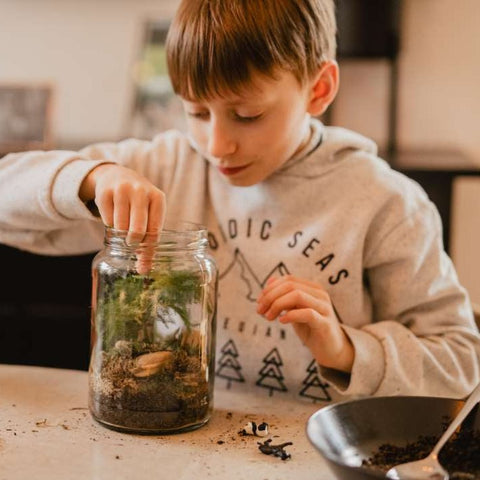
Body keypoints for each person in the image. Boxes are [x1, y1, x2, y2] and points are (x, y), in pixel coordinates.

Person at [0, 0, 479, 404]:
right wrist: (90, 177)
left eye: (247, 115)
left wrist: (346, 349)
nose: (216, 144)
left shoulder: (386, 203)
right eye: (196, 112)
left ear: (319, 89)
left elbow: (459, 363)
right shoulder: (167, 166)